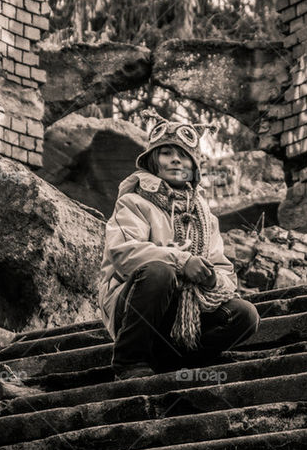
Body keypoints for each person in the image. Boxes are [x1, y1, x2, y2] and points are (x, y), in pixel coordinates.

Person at [97, 109, 261, 381]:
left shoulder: (206, 218)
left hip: (189, 311)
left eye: (184, 155)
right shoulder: (134, 202)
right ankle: (130, 361)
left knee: (246, 315)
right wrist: (183, 262)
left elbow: (225, 273)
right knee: (160, 271)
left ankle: (171, 361)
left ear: (194, 166)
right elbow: (123, 254)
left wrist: (211, 280)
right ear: (153, 161)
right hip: (137, 304)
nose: (176, 159)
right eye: (166, 153)